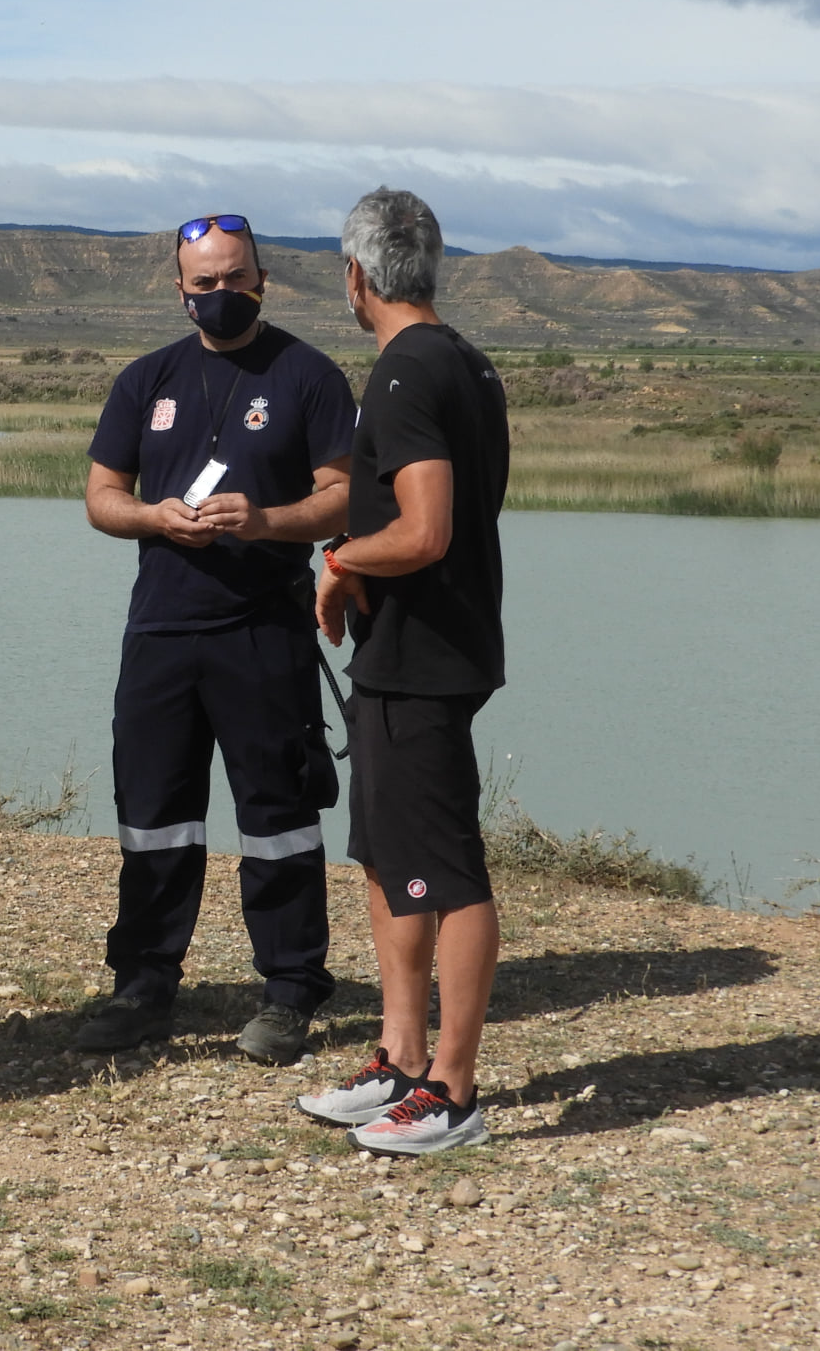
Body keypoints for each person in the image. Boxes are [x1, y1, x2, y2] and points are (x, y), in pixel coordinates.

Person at [79, 213, 356, 1065]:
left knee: (277, 818)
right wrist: (153, 517)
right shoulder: (146, 379)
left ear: (263, 281)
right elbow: (101, 497)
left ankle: (289, 990)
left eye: (236, 278)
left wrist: (266, 520)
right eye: (205, 283)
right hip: (161, 630)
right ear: (181, 290)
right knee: (154, 814)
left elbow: (344, 496)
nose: (221, 293)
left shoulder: (309, 375)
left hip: (263, 628)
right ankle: (143, 984)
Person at [295, 188, 509, 1155]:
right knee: (386, 852)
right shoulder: (464, 360)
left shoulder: (405, 371)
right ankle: (400, 1058)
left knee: (449, 871)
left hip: (425, 657)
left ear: (356, 276)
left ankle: (452, 1092)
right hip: (413, 654)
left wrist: (341, 559)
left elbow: (425, 532)